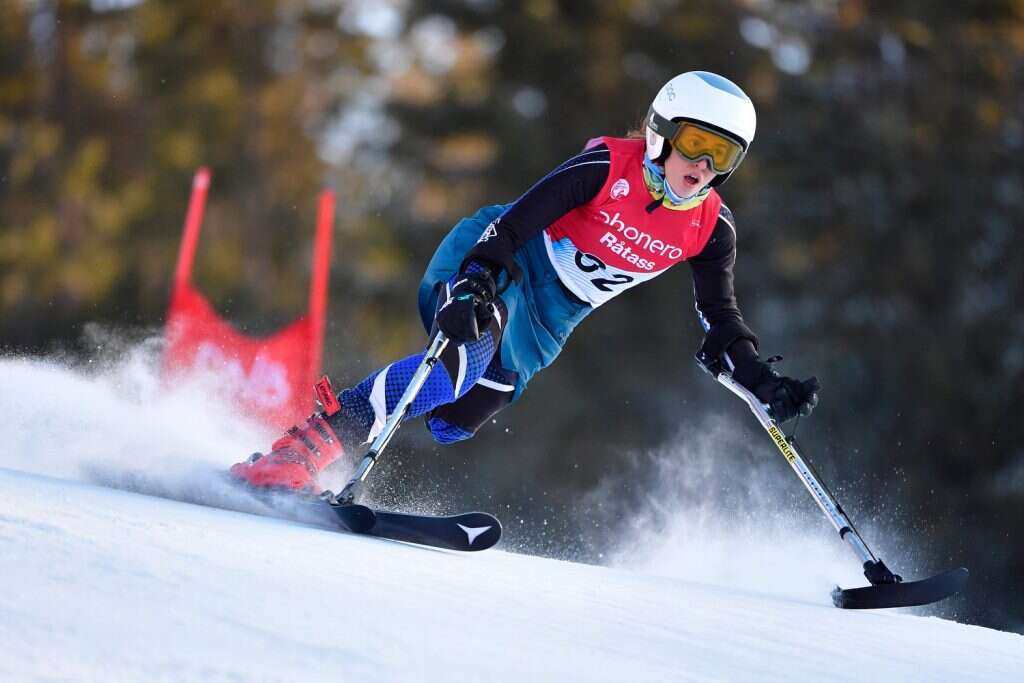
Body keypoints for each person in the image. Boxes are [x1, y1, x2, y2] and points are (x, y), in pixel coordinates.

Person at [230, 71, 821, 493]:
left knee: (453, 420)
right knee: (460, 362)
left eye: (723, 155)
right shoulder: (605, 169)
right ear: (663, 131)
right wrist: (475, 285)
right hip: (500, 263)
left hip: (548, 321)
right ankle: (308, 445)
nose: (704, 166)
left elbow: (720, 316)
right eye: (695, 143)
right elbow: (513, 226)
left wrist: (760, 378)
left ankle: (376, 416)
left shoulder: (710, 227)